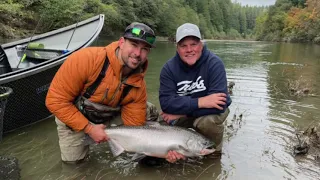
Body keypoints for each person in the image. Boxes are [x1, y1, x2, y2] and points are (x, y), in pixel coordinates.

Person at [46, 22, 159, 163]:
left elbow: (134, 128)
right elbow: (55, 101)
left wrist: (159, 151)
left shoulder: (139, 85)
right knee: (73, 165)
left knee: (149, 111)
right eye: (134, 45)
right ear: (122, 42)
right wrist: (89, 129)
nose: (137, 54)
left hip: (110, 115)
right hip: (74, 116)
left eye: (144, 49)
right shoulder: (85, 59)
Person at [159, 23, 232, 163]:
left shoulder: (214, 64)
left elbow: (220, 105)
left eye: (193, 44)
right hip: (191, 110)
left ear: (201, 44)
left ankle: (214, 153)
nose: (189, 50)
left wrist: (183, 113)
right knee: (161, 126)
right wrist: (201, 102)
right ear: (177, 48)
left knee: (207, 122)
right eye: (183, 46)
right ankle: (173, 155)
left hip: (205, 114)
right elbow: (166, 103)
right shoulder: (168, 69)